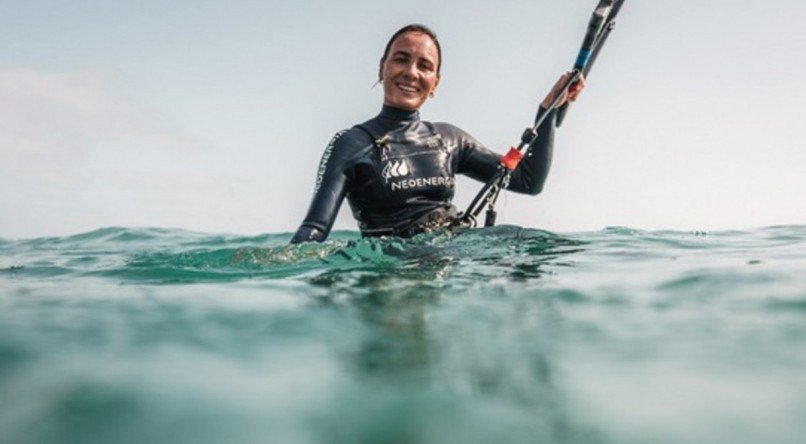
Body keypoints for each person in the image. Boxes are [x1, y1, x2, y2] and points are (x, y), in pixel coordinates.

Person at [290, 24, 584, 244]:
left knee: (540, 248)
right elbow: (314, 230)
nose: (411, 72)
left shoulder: (449, 140)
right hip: (392, 269)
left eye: (425, 66)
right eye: (401, 59)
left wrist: (547, 111)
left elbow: (528, 180)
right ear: (382, 68)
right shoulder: (351, 143)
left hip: (456, 257)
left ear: (435, 83)